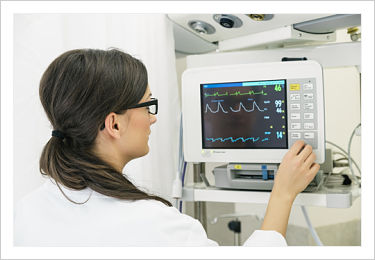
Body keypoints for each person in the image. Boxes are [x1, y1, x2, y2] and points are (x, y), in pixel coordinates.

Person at [14, 48, 320, 246]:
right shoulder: (154, 226)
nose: (154, 118)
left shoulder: (26, 211)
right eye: (148, 105)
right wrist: (283, 194)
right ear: (114, 124)